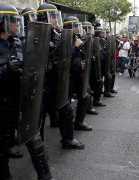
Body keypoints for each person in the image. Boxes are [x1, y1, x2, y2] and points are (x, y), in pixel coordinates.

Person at [0, 4, 52, 179]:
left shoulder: (18, 43)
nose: (16, 25)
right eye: (13, 21)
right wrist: (5, 70)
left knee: (33, 139)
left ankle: (46, 177)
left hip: (19, 102)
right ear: (2, 22)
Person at [37, 3, 85, 149]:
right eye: (52, 17)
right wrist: (74, 48)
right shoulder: (36, 35)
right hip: (42, 84)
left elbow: (64, 57)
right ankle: (38, 146)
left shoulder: (57, 36)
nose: (55, 20)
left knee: (66, 110)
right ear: (44, 18)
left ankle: (67, 139)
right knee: (39, 117)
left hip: (56, 82)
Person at [64, 16, 93, 131]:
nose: (78, 28)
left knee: (84, 96)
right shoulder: (64, 39)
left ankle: (79, 122)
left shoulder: (78, 38)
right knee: (66, 104)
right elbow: (65, 57)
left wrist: (82, 63)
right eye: (75, 26)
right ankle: (67, 131)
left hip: (77, 73)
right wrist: (75, 47)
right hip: (68, 76)